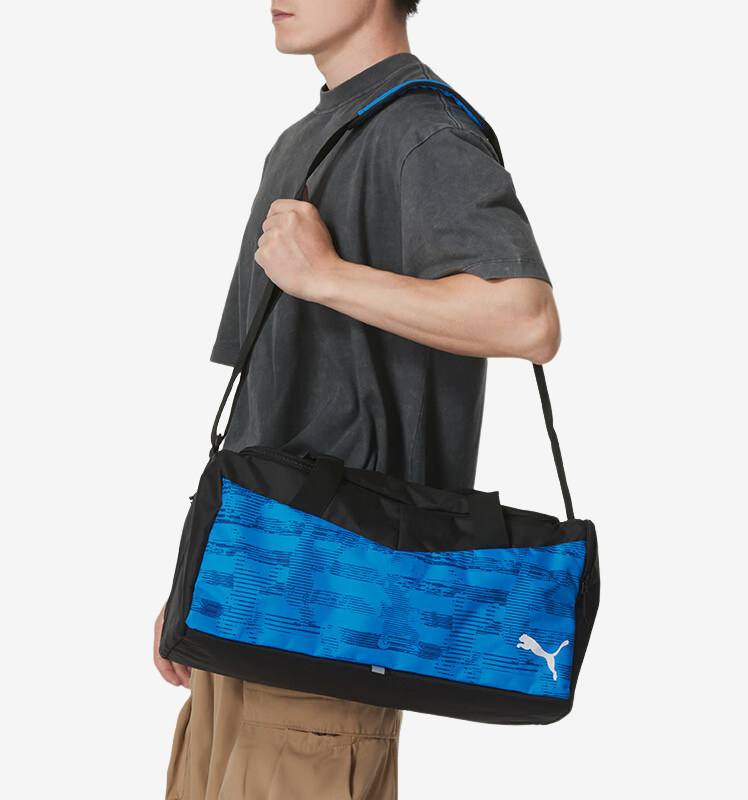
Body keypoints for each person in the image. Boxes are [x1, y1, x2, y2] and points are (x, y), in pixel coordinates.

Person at [154, 1, 561, 797]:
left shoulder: (424, 133)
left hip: (338, 602)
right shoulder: (301, 141)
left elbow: (527, 319)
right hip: (247, 586)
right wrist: (191, 576)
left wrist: (328, 277)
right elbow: (261, 404)